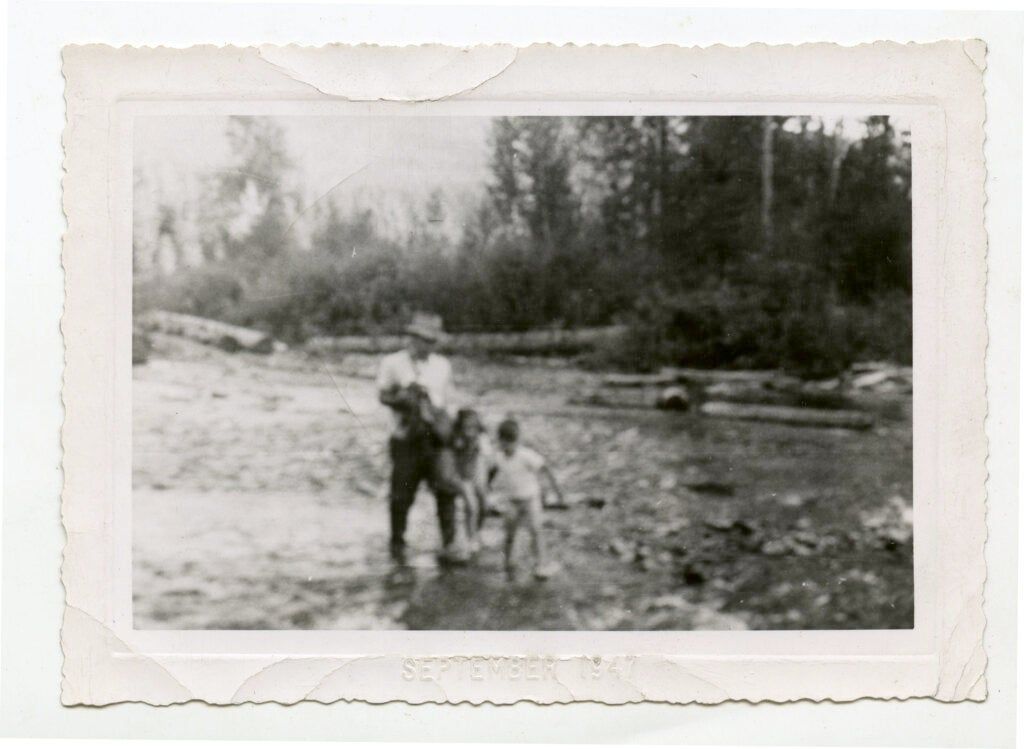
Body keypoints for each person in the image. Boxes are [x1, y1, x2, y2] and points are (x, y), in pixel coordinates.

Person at [377, 312, 461, 563]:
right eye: (418, 338)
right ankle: (397, 543)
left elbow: (449, 400)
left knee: (446, 491)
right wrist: (403, 398)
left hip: (436, 437)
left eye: (428, 339)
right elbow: (382, 396)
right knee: (401, 493)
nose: (422, 343)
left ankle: (450, 545)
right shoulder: (392, 362)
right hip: (406, 437)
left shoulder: (442, 365)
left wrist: (451, 429)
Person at [491, 417, 563, 580]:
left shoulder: (526, 455)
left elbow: (545, 469)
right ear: (500, 441)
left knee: (536, 531)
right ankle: (508, 562)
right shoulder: (499, 457)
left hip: (530, 499)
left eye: (511, 442)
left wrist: (557, 492)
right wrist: (488, 486)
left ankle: (541, 564)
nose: (508, 446)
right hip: (512, 501)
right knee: (509, 532)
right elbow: (493, 471)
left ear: (517, 440)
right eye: (504, 442)